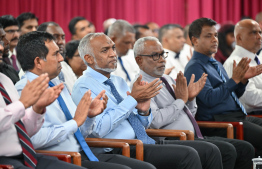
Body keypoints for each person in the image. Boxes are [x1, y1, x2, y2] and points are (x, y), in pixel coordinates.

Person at [72, 32, 223, 169]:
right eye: (105, 50)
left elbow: (143, 123)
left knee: (210, 150)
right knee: (188, 155)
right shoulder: (84, 85)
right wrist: (132, 100)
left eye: (113, 48)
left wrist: (144, 112)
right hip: (118, 147)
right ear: (89, 59)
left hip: (142, 141)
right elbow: (97, 130)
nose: (113, 54)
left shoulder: (118, 81)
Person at [15, 31, 156, 169]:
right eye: (55, 54)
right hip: (59, 157)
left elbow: (81, 132)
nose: (61, 59)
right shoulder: (25, 90)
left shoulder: (57, 85)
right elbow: (32, 139)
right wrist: (75, 122)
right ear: (38, 62)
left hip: (82, 153)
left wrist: (88, 117)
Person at [134, 36, 254, 169]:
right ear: (139, 60)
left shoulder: (167, 79)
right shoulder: (141, 86)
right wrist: (181, 101)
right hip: (170, 140)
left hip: (191, 136)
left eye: (163, 54)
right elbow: (155, 121)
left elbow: (188, 113)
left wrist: (190, 100)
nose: (162, 59)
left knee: (244, 148)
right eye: (155, 56)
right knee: (219, 151)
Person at [0, 39, 84, 168]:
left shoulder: (5, 81)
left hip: (26, 155)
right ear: (38, 61)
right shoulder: (26, 87)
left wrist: (37, 110)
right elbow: (36, 139)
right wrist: (22, 104)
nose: (1, 47)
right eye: (55, 54)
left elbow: (24, 131)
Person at [184, 17, 262, 157]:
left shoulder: (214, 63)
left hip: (237, 116)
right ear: (195, 40)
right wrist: (234, 79)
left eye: (215, 35)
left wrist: (242, 81)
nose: (215, 40)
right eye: (209, 36)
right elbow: (209, 100)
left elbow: (232, 95)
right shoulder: (195, 67)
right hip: (219, 121)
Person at [223, 19, 262, 114]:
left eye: (260, 32)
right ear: (239, 38)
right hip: (251, 116)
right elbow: (252, 99)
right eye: (253, 33)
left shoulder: (254, 58)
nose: (259, 37)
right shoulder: (235, 62)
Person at [108, 20, 139, 87]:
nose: (130, 47)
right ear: (113, 39)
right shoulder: (102, 62)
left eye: (132, 43)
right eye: (126, 43)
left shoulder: (130, 55)